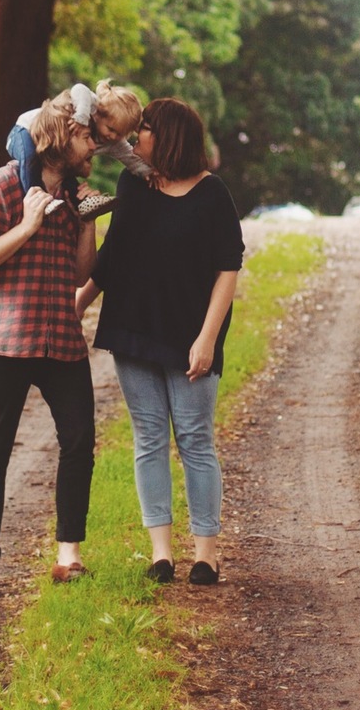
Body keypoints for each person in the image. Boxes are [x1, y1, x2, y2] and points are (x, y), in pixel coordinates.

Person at [89, 94, 245, 587]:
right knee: (149, 439)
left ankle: (206, 553)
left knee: (196, 440)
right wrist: (80, 298)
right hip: (132, 328)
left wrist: (206, 339)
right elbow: (113, 257)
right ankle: (161, 554)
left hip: (190, 338)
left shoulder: (212, 194)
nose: (137, 136)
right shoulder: (133, 185)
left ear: (171, 135)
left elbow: (228, 270)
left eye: (147, 128)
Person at [0, 93, 100, 600]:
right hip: (2, 342)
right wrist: (26, 225)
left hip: (60, 338)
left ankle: (69, 558)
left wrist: (86, 222)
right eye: (87, 136)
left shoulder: (79, 195)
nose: (95, 144)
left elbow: (81, 272)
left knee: (79, 442)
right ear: (62, 138)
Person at [6, 79, 144, 203]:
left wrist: (150, 173)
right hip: (25, 130)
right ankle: (35, 199)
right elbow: (79, 89)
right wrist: (81, 116)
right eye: (111, 129)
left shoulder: (114, 143)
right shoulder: (93, 107)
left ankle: (80, 206)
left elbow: (131, 158)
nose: (113, 137)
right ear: (99, 115)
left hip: (54, 155)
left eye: (120, 134)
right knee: (30, 159)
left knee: (70, 180)